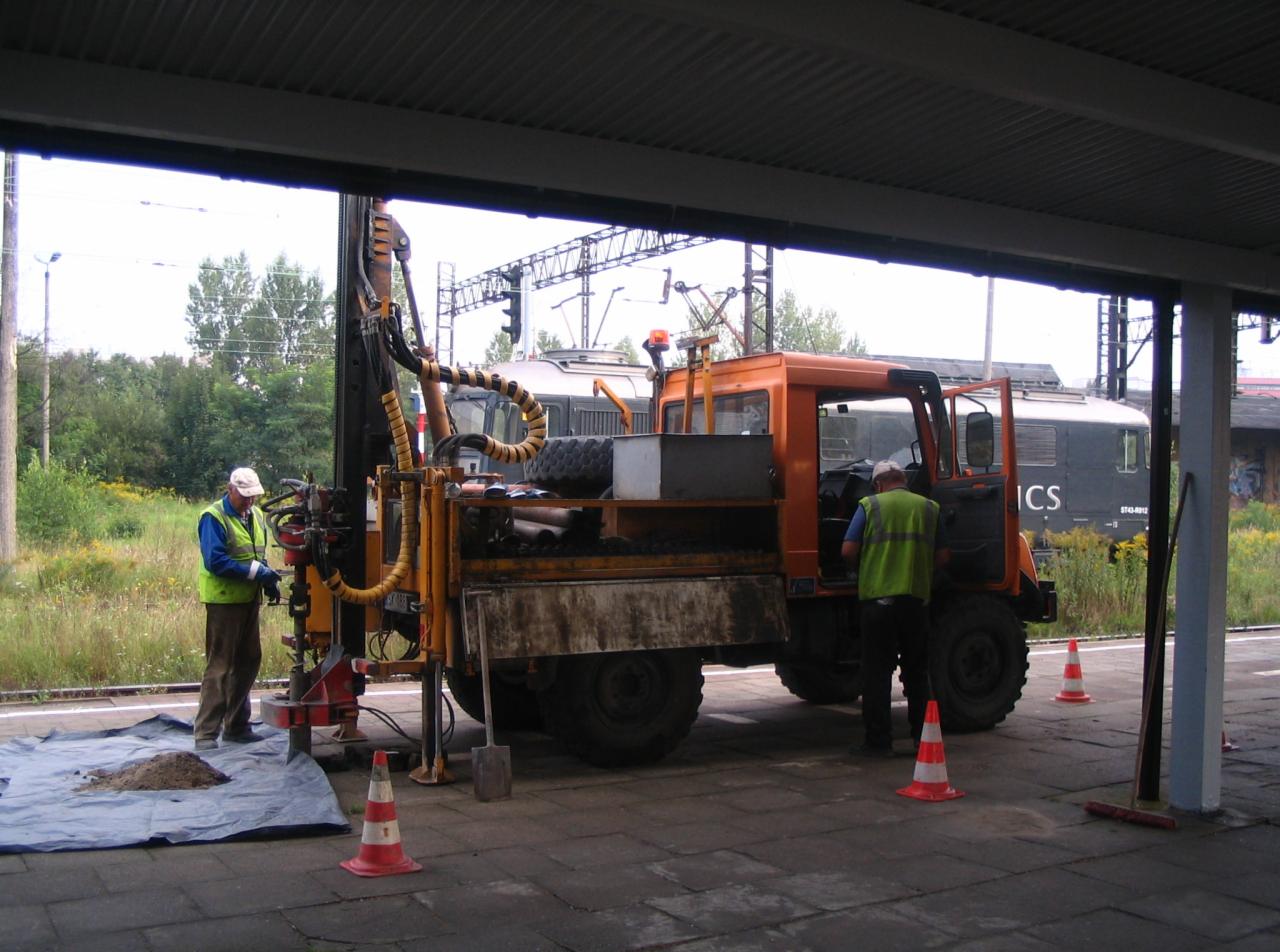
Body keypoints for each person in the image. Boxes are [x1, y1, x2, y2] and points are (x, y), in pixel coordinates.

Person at [842, 459, 950, 757]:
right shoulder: (929, 508)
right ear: (904, 479)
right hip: (915, 602)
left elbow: (848, 550)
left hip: (878, 602)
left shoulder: (870, 505)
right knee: (917, 672)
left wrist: (859, 569)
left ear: (878, 484)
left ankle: (878, 742)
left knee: (876, 673)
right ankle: (921, 738)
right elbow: (942, 557)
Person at [194, 467, 280, 751]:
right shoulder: (213, 518)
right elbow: (215, 562)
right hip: (224, 602)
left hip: (247, 600)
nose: (249, 502)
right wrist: (258, 574)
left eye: (253, 497)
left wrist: (267, 580)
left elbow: (256, 555)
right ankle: (206, 732)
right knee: (220, 666)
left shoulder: (253, 516)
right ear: (230, 489)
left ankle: (237, 725)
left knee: (248, 660)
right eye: (244, 497)